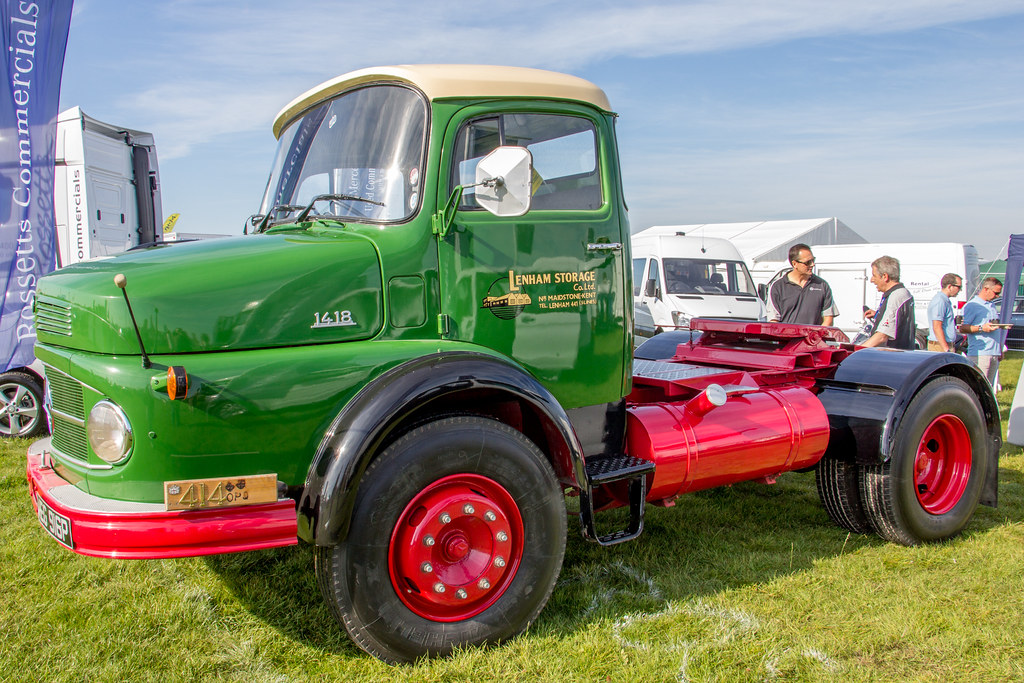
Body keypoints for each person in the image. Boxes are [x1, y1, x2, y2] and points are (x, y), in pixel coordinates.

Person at [765, 243, 837, 326]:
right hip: (786, 338)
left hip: (814, 338)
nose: (812, 264)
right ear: (795, 264)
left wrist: (815, 337)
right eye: (808, 262)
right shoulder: (778, 287)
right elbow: (773, 321)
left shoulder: (822, 285)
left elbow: (828, 319)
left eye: (813, 260)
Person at [860, 255, 916, 349]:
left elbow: (882, 336)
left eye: (874, 275)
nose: (872, 280)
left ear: (885, 276)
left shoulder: (896, 296)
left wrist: (856, 351)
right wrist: (878, 315)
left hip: (893, 357)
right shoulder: (902, 293)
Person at [960, 277, 1003, 386]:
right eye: (996, 293)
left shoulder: (991, 304)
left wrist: (999, 350)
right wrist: (981, 328)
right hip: (980, 353)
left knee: (989, 386)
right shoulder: (972, 305)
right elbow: (963, 328)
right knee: (978, 385)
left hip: (993, 352)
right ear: (986, 289)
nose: (997, 296)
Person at [926, 272, 963, 352]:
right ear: (949, 286)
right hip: (940, 346)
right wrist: (946, 349)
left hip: (943, 344)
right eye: (959, 287)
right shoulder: (940, 301)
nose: (960, 290)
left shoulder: (944, 300)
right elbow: (937, 326)